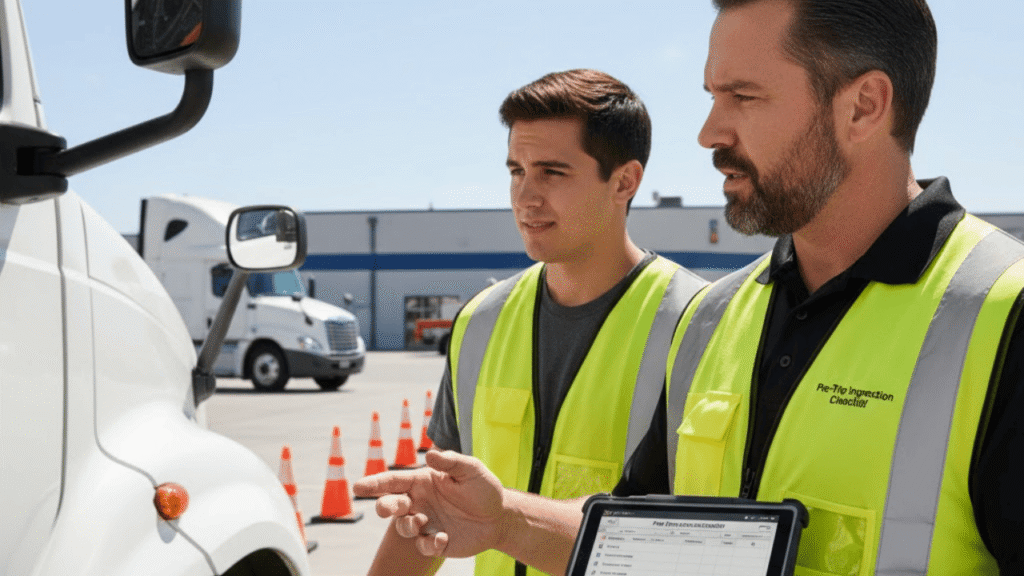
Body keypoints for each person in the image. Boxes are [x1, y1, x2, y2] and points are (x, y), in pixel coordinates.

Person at [354, 1, 1024, 574]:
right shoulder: (714, 319)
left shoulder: (1003, 314)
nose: (708, 133)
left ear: (864, 106)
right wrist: (506, 523)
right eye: (711, 97)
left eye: (744, 97)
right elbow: (642, 532)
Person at [363, 69, 708, 576]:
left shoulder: (698, 324)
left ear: (624, 181)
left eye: (552, 172)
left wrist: (510, 521)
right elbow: (433, 510)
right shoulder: (481, 322)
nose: (526, 197)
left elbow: (696, 535)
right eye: (516, 170)